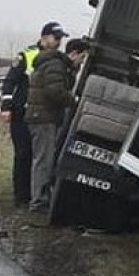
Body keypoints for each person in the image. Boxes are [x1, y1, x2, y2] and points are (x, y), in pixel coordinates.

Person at [1, 23, 64, 208]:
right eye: (56, 38)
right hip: (21, 112)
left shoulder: (56, 60)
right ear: (44, 38)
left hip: (40, 115)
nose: (59, 42)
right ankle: (21, 196)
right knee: (23, 154)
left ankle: (34, 195)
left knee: (39, 156)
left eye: (60, 38)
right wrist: (6, 107)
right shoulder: (27, 55)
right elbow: (9, 82)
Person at [26, 31, 88, 212]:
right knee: (43, 160)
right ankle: (39, 201)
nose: (82, 62)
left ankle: (40, 198)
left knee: (42, 159)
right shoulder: (56, 66)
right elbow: (54, 91)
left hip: (40, 116)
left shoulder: (55, 64)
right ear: (74, 54)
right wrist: (74, 100)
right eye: (82, 58)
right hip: (44, 117)